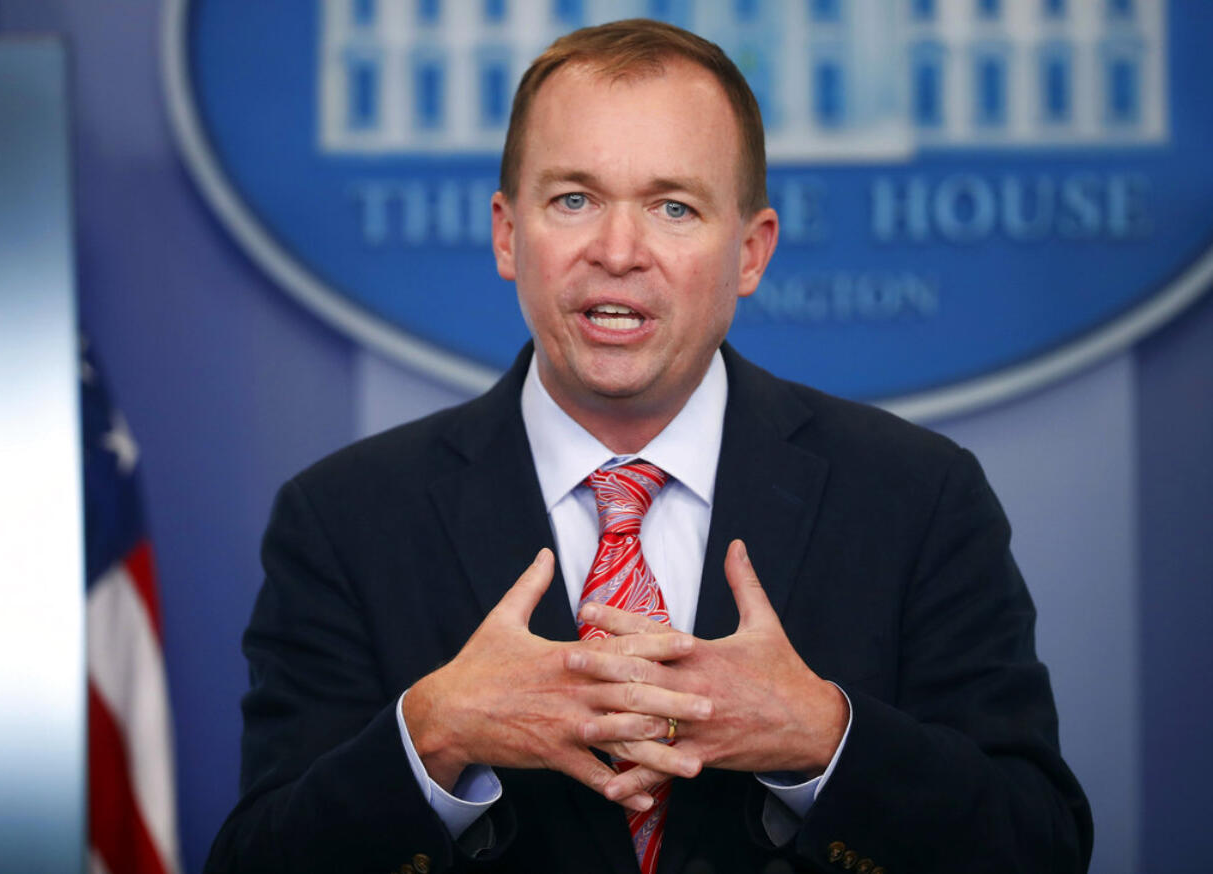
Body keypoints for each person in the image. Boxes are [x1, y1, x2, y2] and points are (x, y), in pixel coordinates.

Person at [206, 19, 1092, 874]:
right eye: (574, 199)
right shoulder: (343, 519)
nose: (618, 251)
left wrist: (821, 737)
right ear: (509, 235)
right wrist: (433, 735)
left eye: (673, 206)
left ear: (751, 252)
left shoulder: (918, 497)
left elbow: (1039, 844)